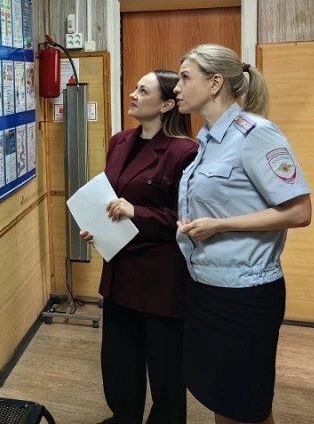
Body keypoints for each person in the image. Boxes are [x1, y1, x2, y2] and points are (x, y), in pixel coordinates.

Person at [173, 45, 312, 424]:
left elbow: (299, 212)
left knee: (246, 407)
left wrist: (220, 225)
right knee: (222, 399)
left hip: (244, 296)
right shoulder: (206, 139)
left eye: (185, 77)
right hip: (205, 288)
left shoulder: (256, 134)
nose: (177, 87)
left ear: (215, 83)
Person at [80, 70, 197, 424]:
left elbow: (187, 219)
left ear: (166, 105)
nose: (133, 94)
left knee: (165, 372)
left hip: (160, 278)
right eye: (135, 88)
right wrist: (97, 226)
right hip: (119, 271)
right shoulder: (119, 141)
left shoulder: (185, 152)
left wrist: (137, 212)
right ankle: (123, 418)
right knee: (119, 363)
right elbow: (110, 197)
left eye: (143, 91)